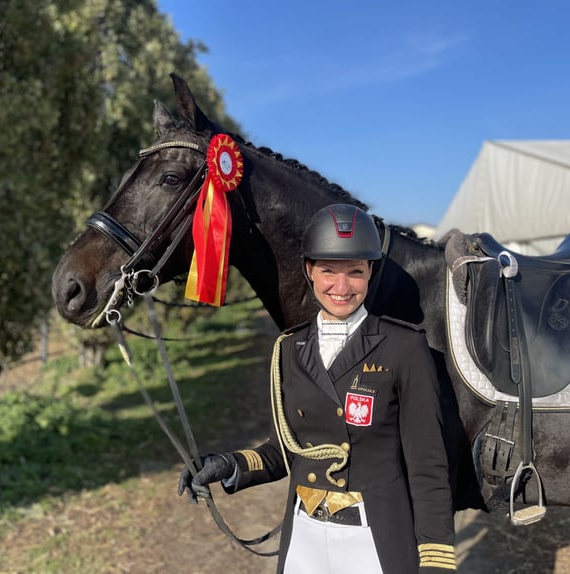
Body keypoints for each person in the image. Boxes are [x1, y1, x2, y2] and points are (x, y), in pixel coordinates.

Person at [178, 204, 456, 573]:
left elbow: (428, 464)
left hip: (373, 537)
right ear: (309, 270)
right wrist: (229, 465)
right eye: (328, 271)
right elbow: (287, 449)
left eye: (355, 272)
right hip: (305, 537)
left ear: (370, 272)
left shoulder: (403, 347)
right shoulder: (291, 348)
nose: (341, 288)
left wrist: (437, 558)